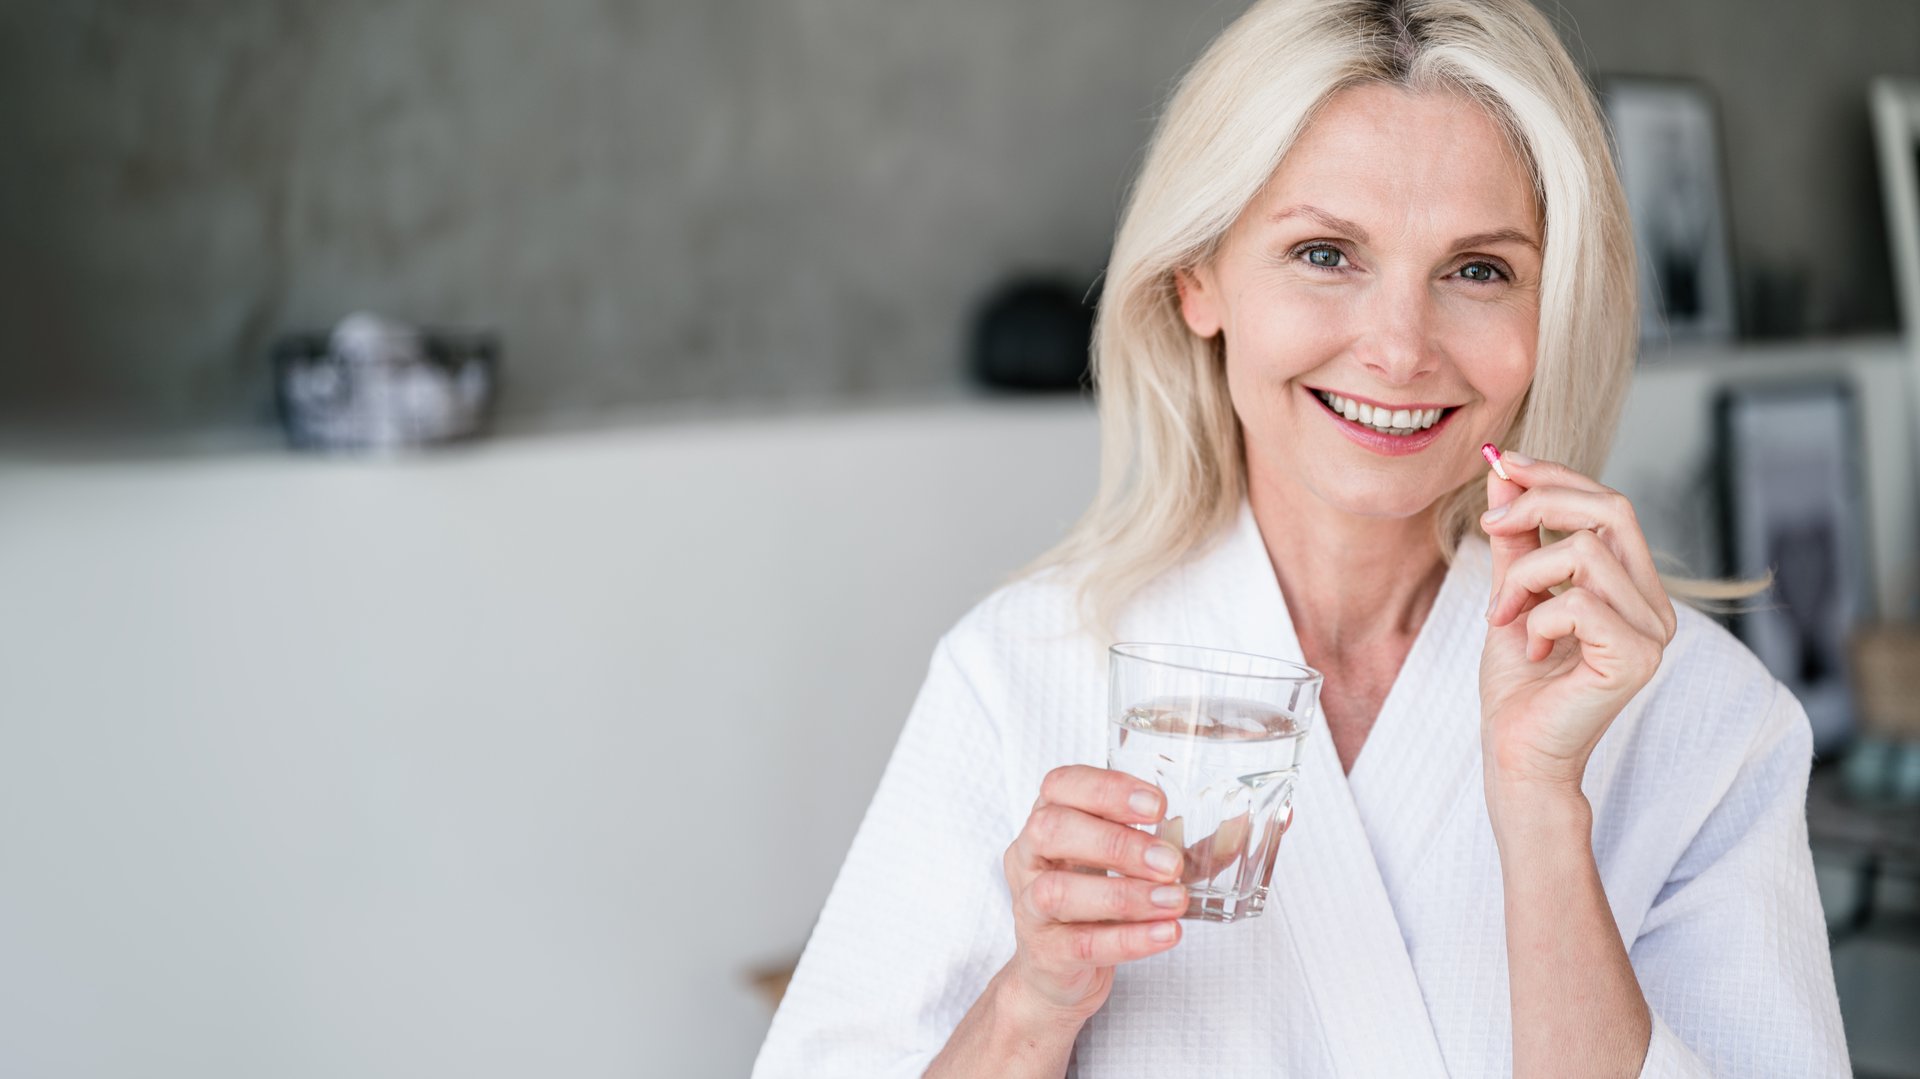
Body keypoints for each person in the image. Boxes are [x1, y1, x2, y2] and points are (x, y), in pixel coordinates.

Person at [753, 0, 1850, 1074]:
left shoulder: (1701, 718)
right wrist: (1036, 999)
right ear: (1199, 277)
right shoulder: (1019, 672)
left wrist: (1540, 811)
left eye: (1478, 270)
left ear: (1546, 309)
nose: (1400, 348)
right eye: (1326, 253)